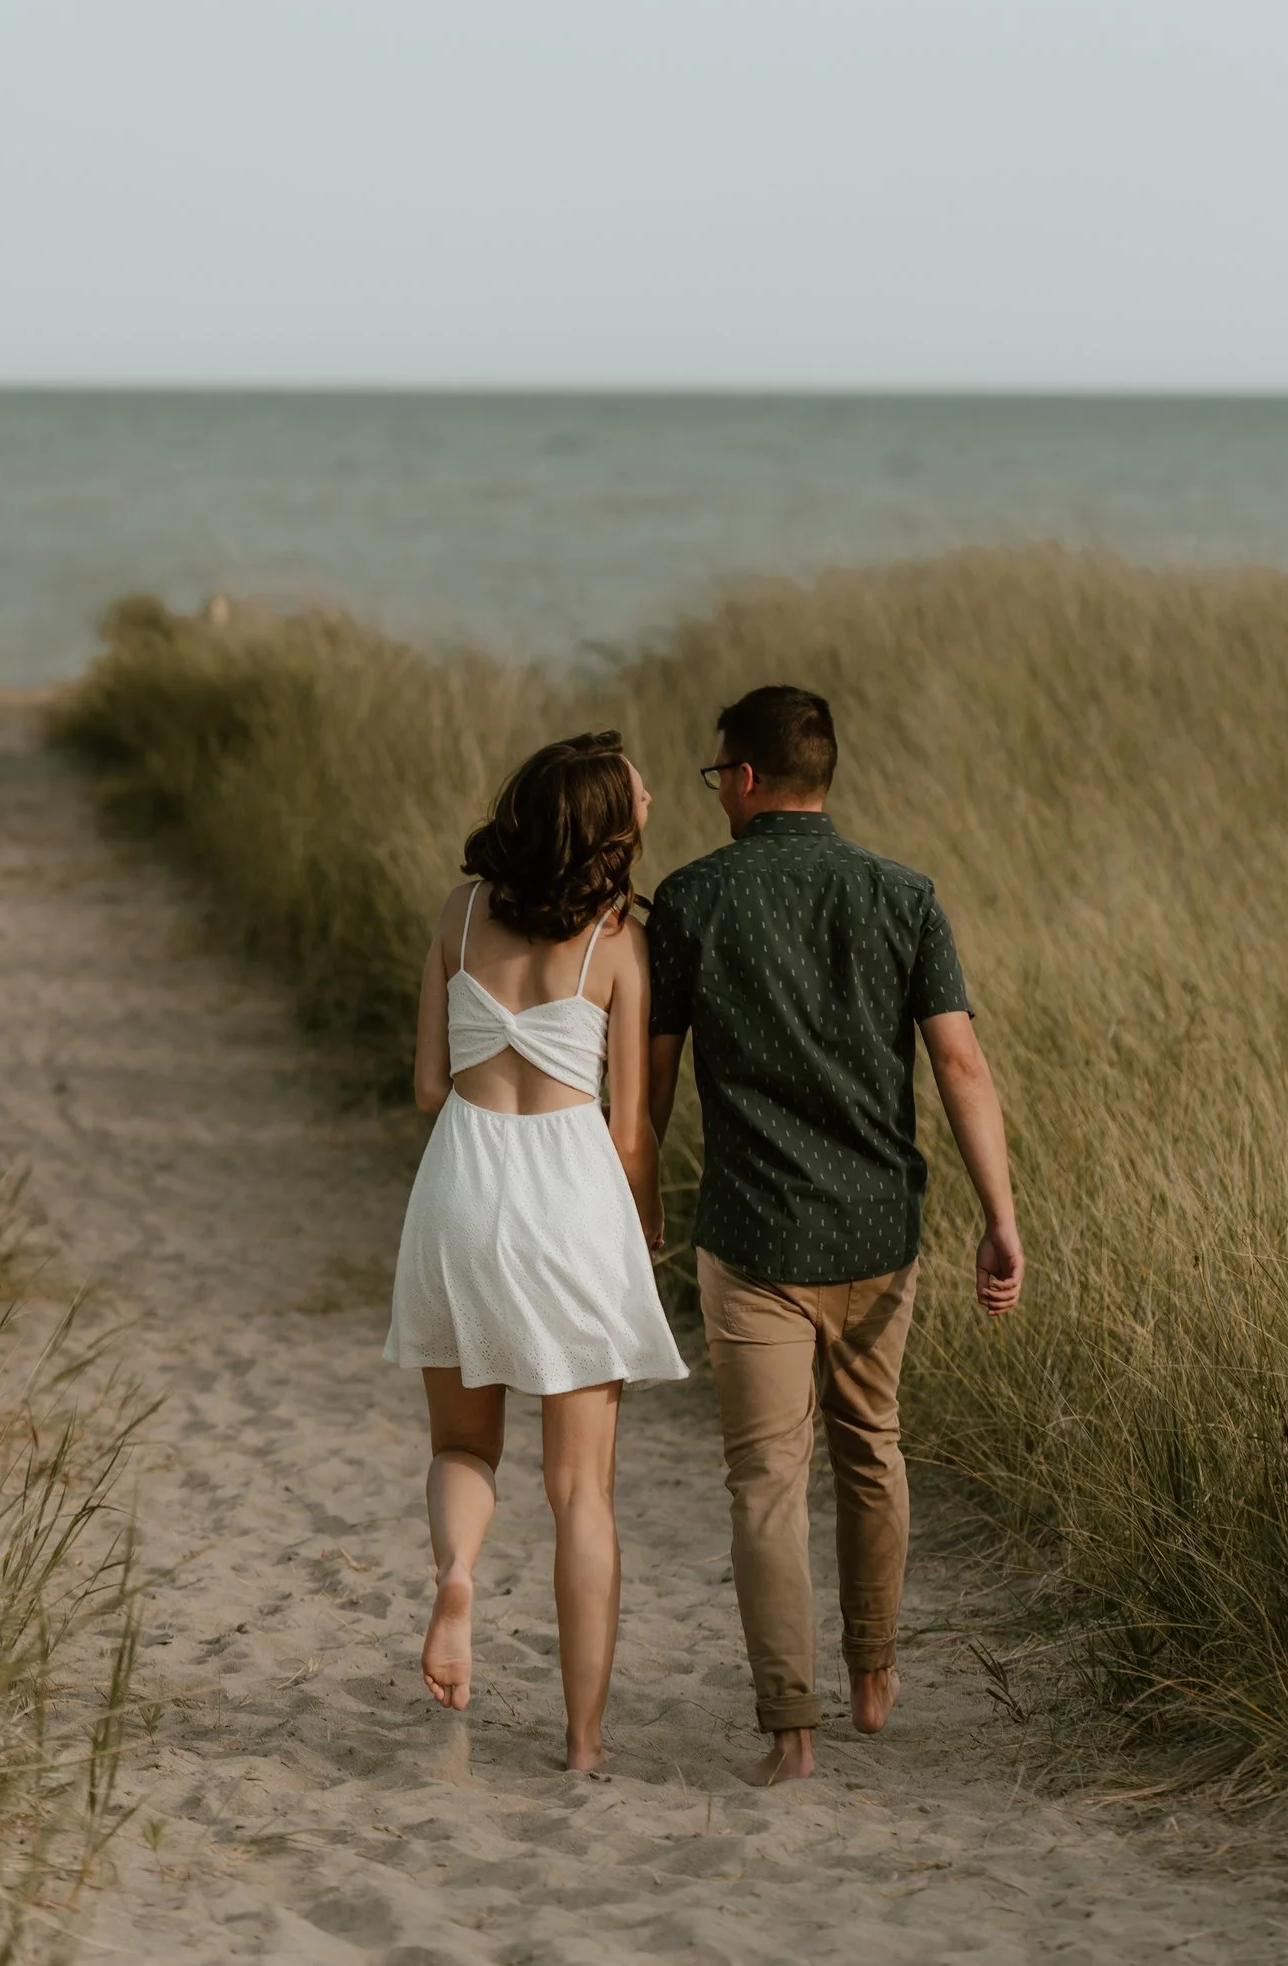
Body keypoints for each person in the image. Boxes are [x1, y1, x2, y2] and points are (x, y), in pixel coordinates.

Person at [647, 682, 1023, 1786]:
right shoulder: (903, 896)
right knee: (873, 1451)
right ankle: (871, 1674)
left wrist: (636, 1209)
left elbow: (654, 1085)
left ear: (747, 777)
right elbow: (962, 1066)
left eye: (719, 775)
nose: (718, 793)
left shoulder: (691, 899)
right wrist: (999, 1219)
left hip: (752, 1230)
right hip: (879, 1230)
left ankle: (789, 1732)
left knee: (765, 1480)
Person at [383, 730, 687, 1773]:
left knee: (465, 1448)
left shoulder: (459, 916)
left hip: (463, 1185)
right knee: (581, 1494)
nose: (651, 793)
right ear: (606, 825)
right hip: (570, 1195)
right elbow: (631, 1127)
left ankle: (458, 1575)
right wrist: (642, 1232)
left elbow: (429, 1085)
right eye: (640, 790)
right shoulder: (617, 943)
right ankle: (584, 1741)